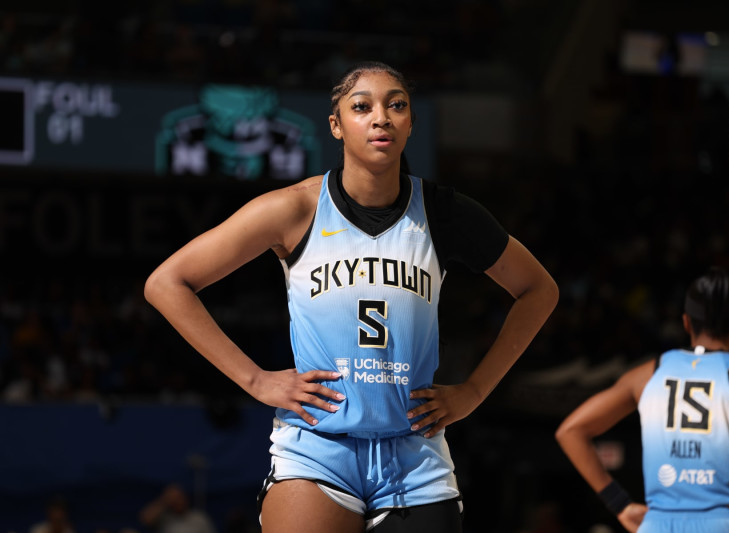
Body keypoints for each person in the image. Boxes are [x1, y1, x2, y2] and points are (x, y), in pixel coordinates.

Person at [144, 60, 559, 533]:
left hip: (413, 451)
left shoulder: (445, 213)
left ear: (410, 123)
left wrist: (475, 390)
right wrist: (256, 381)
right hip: (318, 447)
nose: (380, 117)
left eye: (396, 105)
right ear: (337, 126)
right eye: (362, 107)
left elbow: (538, 290)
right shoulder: (295, 208)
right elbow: (166, 283)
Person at [555, 267, 729, 533]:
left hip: (657, 524)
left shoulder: (647, 374)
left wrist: (619, 504)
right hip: (723, 523)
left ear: (686, 322)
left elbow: (571, 431)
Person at [139, 482, 216, 533]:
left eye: (180, 498)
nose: (178, 502)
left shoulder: (199, 517)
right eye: (174, 500)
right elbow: (145, 519)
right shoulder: (164, 518)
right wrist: (164, 501)